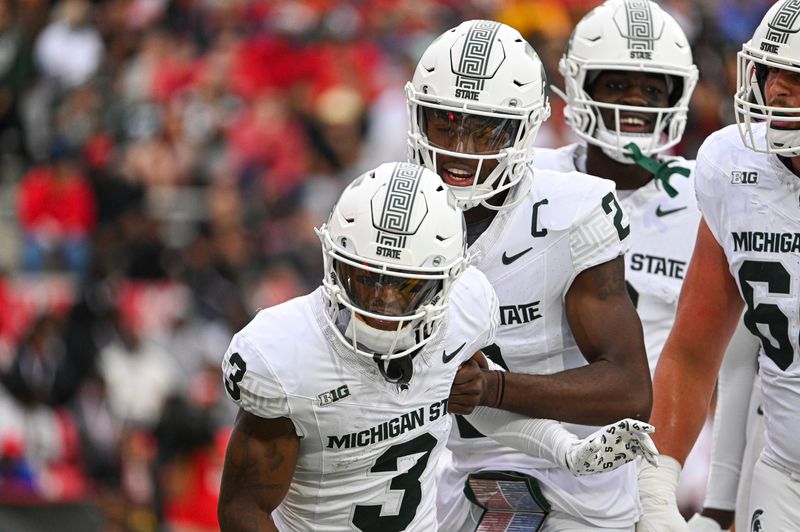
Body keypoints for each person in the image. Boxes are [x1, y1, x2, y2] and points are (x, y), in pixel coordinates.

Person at [216, 162, 656, 531]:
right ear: (335, 262)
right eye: (368, 278)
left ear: (448, 280)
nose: (383, 304)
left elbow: (471, 406)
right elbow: (242, 509)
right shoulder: (286, 356)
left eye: (406, 286)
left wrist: (566, 450)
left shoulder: (464, 312)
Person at [406, 19, 653, 531]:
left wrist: (495, 388)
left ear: (526, 128)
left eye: (484, 129)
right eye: (446, 122)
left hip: (578, 483)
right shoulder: (395, 213)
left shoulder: (570, 209)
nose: (461, 148)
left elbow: (629, 388)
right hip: (452, 477)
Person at [638, 1, 800, 531]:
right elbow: (692, 349)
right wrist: (659, 481)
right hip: (785, 471)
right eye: (771, 70)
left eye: (797, 78)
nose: (776, 90)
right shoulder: (733, 167)